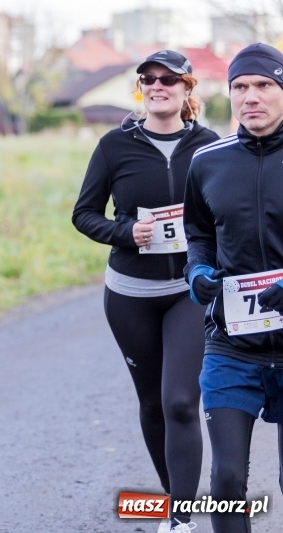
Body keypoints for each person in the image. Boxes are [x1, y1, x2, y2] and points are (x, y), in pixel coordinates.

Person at [72, 50, 220, 533]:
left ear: (187, 89)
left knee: (180, 400)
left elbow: (226, 212)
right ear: (141, 88)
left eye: (169, 80)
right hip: (130, 293)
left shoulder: (209, 145)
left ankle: (180, 518)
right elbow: (84, 213)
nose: (158, 86)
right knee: (153, 403)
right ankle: (172, 494)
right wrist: (124, 231)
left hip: (188, 290)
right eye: (148, 79)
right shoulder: (115, 145)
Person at [183, 42, 283, 533]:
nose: (251, 97)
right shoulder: (208, 161)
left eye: (264, 84)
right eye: (240, 87)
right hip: (231, 345)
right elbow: (198, 235)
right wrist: (196, 273)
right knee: (224, 482)